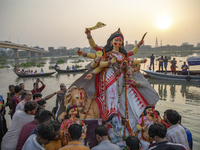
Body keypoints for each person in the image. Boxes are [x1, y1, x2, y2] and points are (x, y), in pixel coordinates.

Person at [75, 28, 158, 131]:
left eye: (120, 41)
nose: (118, 42)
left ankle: (125, 117)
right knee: (111, 96)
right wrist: (89, 35)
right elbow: (97, 54)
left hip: (122, 78)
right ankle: (109, 118)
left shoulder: (123, 55)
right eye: (116, 40)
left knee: (124, 97)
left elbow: (131, 56)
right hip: (109, 77)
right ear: (111, 41)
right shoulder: (107, 53)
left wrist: (140, 55)